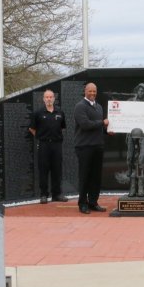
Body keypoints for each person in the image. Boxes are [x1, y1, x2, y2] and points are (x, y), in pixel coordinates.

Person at [73, 83, 110, 214]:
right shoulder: (80, 106)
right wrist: (102, 123)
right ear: (85, 91)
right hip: (84, 147)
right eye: (90, 91)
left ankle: (93, 202)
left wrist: (107, 131)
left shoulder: (99, 107)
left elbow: (98, 127)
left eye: (94, 91)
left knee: (96, 177)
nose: (92, 93)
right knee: (85, 176)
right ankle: (82, 204)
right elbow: (85, 125)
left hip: (97, 146)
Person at [29, 89, 68, 204]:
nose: (49, 99)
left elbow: (63, 127)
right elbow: (31, 128)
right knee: (43, 170)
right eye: (47, 97)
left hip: (56, 145)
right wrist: (41, 137)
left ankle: (56, 194)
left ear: (54, 99)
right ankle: (43, 195)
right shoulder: (38, 113)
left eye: (51, 97)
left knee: (57, 170)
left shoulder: (60, 112)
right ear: (43, 99)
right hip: (43, 145)